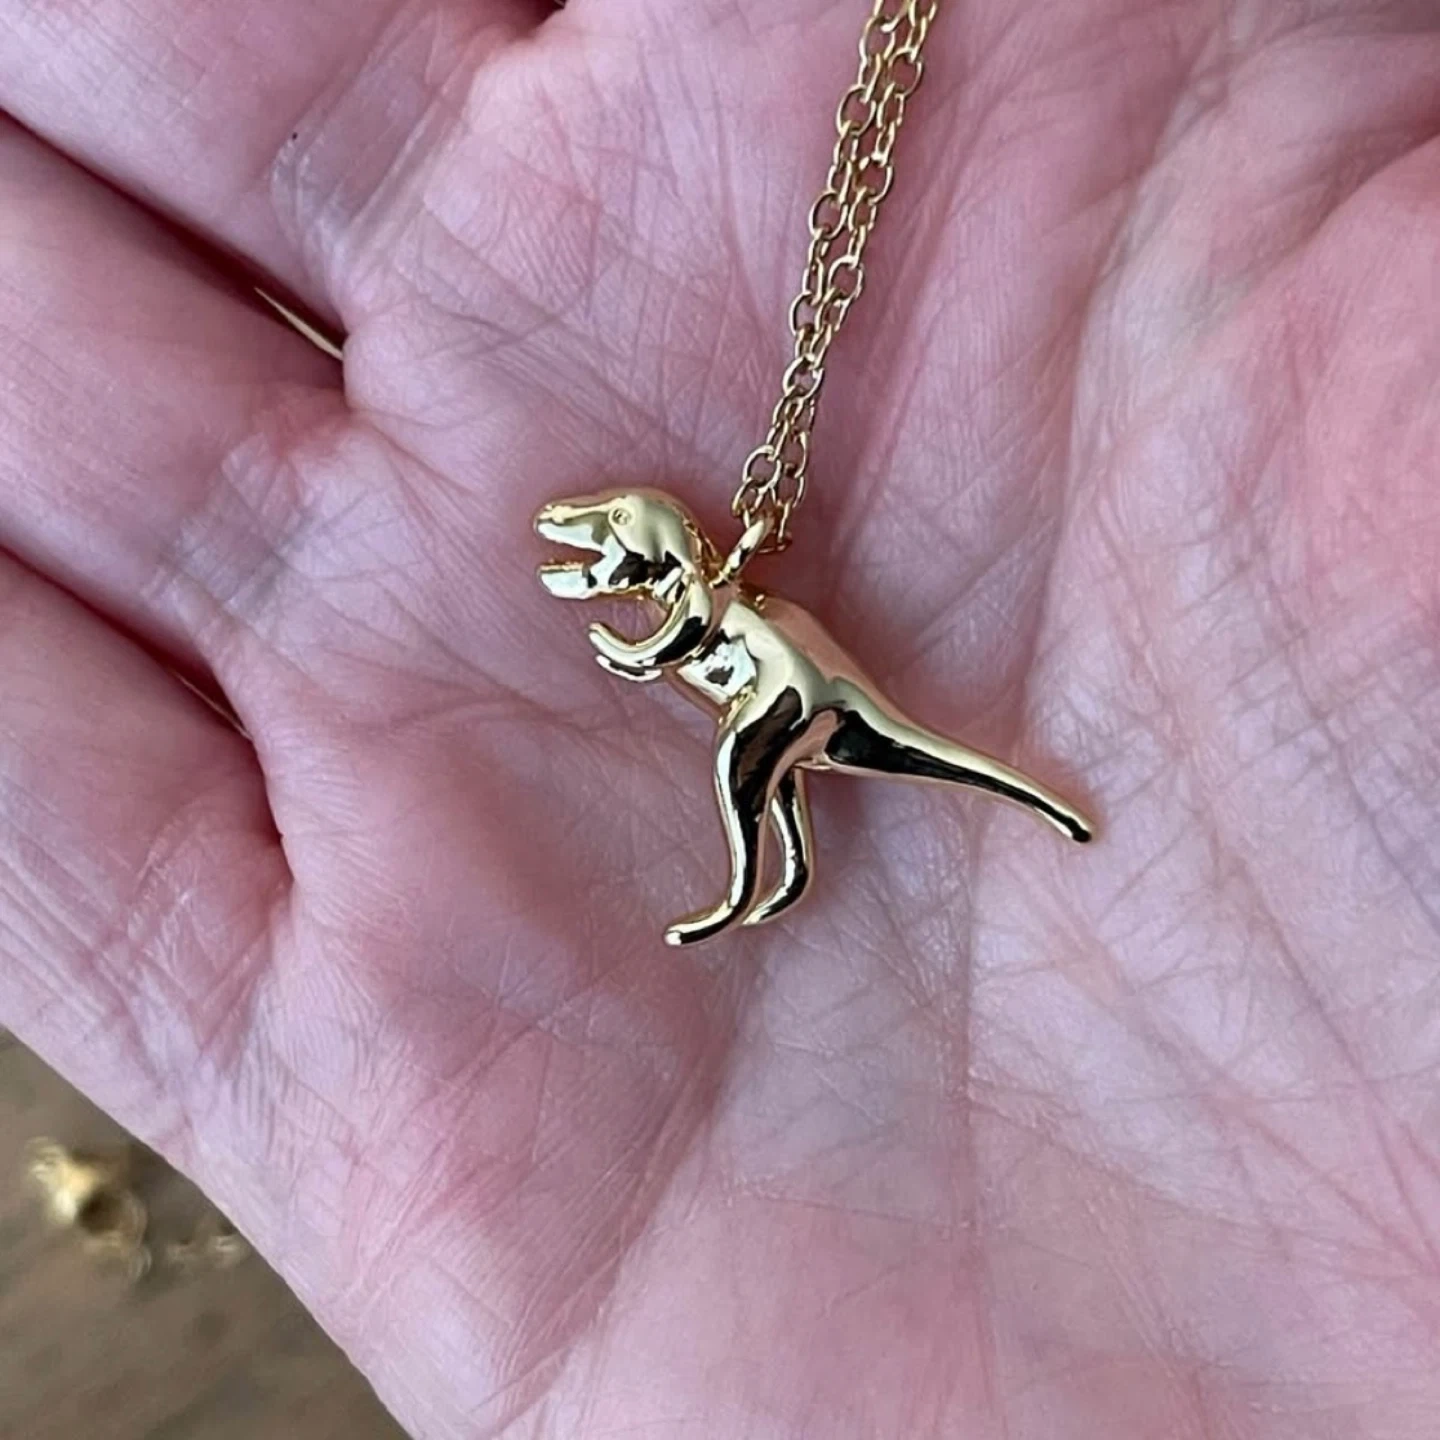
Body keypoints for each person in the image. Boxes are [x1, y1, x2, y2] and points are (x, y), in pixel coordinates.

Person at [0, 1, 1437, 1435]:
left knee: (756, 783)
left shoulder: (696, 604)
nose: (596, 576)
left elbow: (668, 655)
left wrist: (627, 647)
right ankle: (784, 877)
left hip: (797, 688)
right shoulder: (690, 589)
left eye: (610, 565)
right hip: (790, 682)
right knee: (786, 785)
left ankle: (754, 892)